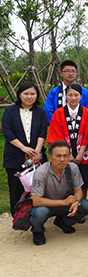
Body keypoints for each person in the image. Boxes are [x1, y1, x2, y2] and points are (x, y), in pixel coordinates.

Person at [30, 141, 88, 245]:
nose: (62, 159)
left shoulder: (73, 168)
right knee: (39, 213)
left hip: (65, 202)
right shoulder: (41, 172)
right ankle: (37, 231)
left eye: (66, 156)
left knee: (87, 206)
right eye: (58, 156)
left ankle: (62, 222)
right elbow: (36, 201)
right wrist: (64, 202)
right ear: (50, 157)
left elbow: (78, 190)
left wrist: (77, 202)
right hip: (45, 205)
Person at [2, 82, 47, 216]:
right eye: (26, 93)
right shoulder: (10, 111)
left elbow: (42, 132)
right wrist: (23, 148)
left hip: (35, 157)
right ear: (19, 94)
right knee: (16, 188)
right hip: (14, 155)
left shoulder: (41, 112)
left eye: (32, 94)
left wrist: (37, 152)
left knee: (37, 188)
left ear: (36, 95)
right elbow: (7, 131)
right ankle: (18, 217)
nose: (29, 96)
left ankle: (37, 216)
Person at [47, 84, 88, 210]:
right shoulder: (58, 113)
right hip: (65, 154)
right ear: (65, 96)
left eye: (76, 95)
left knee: (83, 182)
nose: (73, 98)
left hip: (82, 154)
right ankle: (65, 207)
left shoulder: (87, 113)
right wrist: (69, 155)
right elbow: (56, 134)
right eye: (70, 95)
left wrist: (80, 153)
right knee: (66, 181)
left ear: (81, 96)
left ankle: (81, 208)